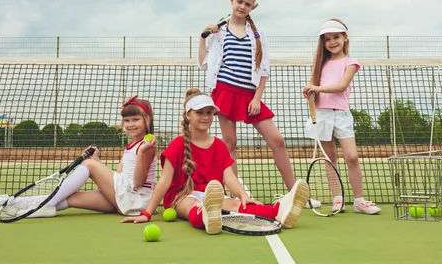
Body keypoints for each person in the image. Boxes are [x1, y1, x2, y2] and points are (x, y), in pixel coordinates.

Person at [120, 88, 309, 234]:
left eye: (210, 113)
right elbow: (164, 182)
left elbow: (230, 178)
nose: (206, 117)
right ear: (188, 115)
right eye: (200, 112)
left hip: (213, 195)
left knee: (237, 205)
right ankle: (207, 216)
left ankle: (279, 210)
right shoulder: (178, 144)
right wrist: (147, 213)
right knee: (193, 205)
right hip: (181, 196)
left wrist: (241, 194)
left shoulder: (219, 145)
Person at [198, 0, 300, 198]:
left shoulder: (258, 34)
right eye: (239, 2)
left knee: (277, 140)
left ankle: (294, 192)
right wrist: (203, 37)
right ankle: (237, 197)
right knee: (230, 143)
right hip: (225, 91)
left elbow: (263, 69)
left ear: (253, 7)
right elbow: (204, 63)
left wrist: (257, 98)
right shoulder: (218, 33)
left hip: (249, 96)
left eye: (247, 4)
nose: (242, 6)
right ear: (231, 0)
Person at [0, 96, 158, 218]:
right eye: (127, 121)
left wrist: (93, 164)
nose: (130, 124)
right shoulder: (132, 146)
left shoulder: (147, 147)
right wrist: (98, 162)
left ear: (147, 120)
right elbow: (119, 177)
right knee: (72, 198)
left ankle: (34, 204)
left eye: (135, 119)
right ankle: (14, 204)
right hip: (126, 198)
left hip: (135, 199)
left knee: (88, 164)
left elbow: (136, 182)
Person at [303, 19, 381, 215]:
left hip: (342, 116)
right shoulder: (319, 65)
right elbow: (315, 91)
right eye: (327, 39)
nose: (332, 42)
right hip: (322, 115)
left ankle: (359, 201)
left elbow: (341, 86)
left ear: (345, 38)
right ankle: (337, 199)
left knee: (351, 157)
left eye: (336, 37)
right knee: (330, 159)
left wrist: (317, 87)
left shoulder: (351, 63)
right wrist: (309, 92)